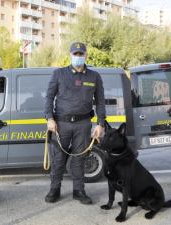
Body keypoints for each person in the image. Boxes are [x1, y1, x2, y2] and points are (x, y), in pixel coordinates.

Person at [44, 42, 106, 205]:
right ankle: (54, 190)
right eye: (75, 54)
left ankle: (79, 191)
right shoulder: (59, 74)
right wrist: (49, 118)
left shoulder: (94, 76)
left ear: (86, 55)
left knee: (79, 159)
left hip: (83, 124)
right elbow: (49, 98)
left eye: (81, 54)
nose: (78, 57)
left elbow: (100, 102)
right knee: (58, 159)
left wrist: (100, 124)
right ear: (70, 55)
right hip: (61, 124)